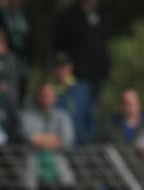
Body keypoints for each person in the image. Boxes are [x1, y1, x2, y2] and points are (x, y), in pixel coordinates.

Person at [52, 0, 109, 129]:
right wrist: (65, 68)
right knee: (73, 111)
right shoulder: (68, 16)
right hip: (76, 76)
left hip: (98, 75)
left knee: (92, 113)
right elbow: (59, 46)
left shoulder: (102, 14)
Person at [51, 52, 94, 145]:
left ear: (70, 68)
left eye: (64, 67)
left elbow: (91, 116)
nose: (61, 71)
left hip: (80, 144)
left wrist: (87, 138)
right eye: (58, 67)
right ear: (54, 70)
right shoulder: (49, 93)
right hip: (58, 144)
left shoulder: (82, 89)